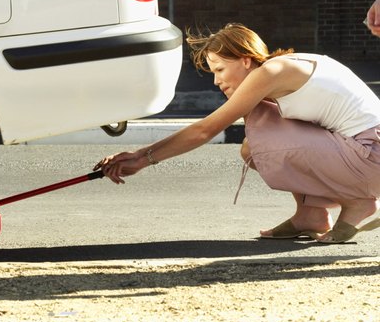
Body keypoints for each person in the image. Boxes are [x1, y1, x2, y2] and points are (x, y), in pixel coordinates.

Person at [94, 23, 380, 244]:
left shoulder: (270, 73)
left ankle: (357, 203)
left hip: (370, 153)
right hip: (365, 152)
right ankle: (311, 213)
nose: (217, 80)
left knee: (258, 132)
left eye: (219, 69)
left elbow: (206, 129)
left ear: (245, 60)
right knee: (252, 146)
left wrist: (142, 158)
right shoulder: (285, 68)